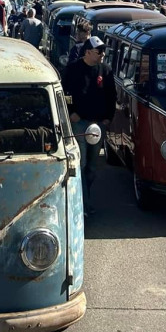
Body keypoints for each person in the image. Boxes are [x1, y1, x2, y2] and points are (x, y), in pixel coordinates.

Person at [62, 37, 116, 216]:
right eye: (99, 51)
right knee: (81, 163)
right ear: (87, 52)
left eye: (103, 51)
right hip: (79, 123)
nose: (102, 54)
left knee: (92, 167)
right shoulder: (73, 69)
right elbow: (64, 93)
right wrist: (71, 112)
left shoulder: (105, 70)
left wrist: (108, 118)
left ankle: (85, 196)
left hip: (98, 124)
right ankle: (83, 205)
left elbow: (111, 95)